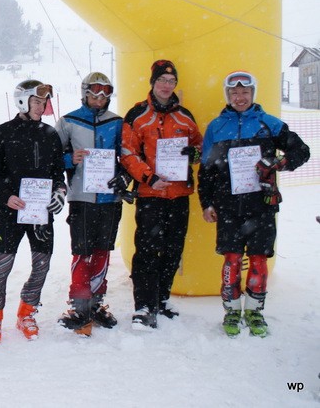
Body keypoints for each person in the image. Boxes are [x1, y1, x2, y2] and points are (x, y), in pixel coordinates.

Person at [198, 71, 309, 337]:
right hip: (228, 205)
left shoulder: (268, 123)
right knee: (232, 259)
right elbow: (206, 170)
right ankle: (232, 310)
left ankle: (255, 311)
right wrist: (206, 203)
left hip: (261, 204)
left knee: (258, 258)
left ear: (253, 93)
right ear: (228, 95)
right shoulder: (216, 127)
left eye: (245, 92)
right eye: (234, 93)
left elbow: (301, 151)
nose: (240, 97)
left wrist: (278, 162)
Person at [120, 59, 203, 330]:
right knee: (146, 251)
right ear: (153, 83)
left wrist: (195, 153)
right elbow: (127, 153)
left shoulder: (185, 116)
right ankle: (144, 306)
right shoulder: (137, 114)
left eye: (171, 81)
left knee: (172, 250)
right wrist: (149, 177)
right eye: (161, 80)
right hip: (150, 195)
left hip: (179, 194)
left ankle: (162, 298)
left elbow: (200, 146)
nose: (166, 86)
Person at [0, 80, 67, 345]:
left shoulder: (50, 134)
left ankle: (27, 312)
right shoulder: (3, 132)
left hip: (40, 213)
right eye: (36, 102)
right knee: (3, 265)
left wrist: (60, 191)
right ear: (23, 102)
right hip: (11, 212)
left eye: (44, 102)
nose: (41, 107)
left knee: (42, 263)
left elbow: (58, 171)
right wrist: (6, 196)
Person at [54, 72, 127, 336]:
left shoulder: (116, 122)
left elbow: (128, 155)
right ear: (85, 93)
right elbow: (52, 155)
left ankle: (95, 302)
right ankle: (79, 305)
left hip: (109, 198)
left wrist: (124, 177)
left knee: (102, 251)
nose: (99, 99)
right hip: (82, 197)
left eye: (105, 94)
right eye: (94, 93)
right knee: (81, 251)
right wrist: (69, 159)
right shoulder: (69, 121)